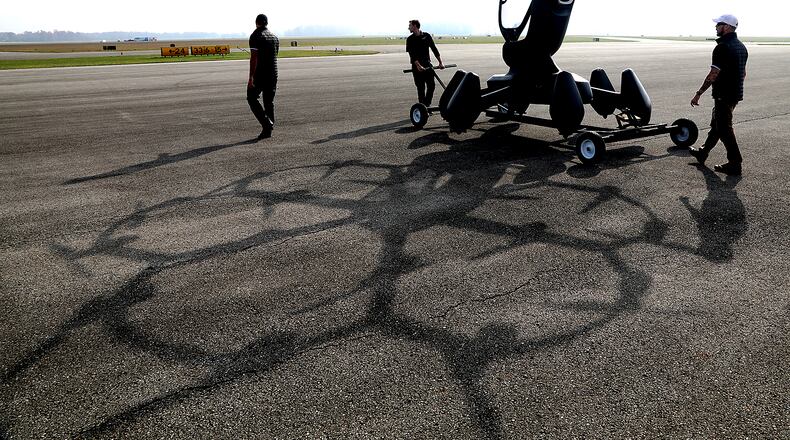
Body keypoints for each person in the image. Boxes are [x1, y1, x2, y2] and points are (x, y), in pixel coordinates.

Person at [689, 14, 748, 175]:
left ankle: (735, 163)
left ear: (727, 27)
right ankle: (703, 152)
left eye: (718, 25)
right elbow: (743, 74)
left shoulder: (722, 47)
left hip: (724, 94)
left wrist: (698, 93)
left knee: (724, 128)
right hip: (734, 94)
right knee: (717, 125)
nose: (715, 27)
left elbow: (713, 74)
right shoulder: (741, 47)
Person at [247, 14, 279, 139]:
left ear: (256, 23)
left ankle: (267, 123)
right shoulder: (275, 37)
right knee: (268, 101)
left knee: (251, 97)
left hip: (260, 74)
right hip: (273, 73)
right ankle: (268, 129)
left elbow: (254, 58)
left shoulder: (255, 36)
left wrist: (251, 77)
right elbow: (275, 55)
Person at [406, 20, 445, 107]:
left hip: (427, 65)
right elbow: (412, 55)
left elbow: (434, 49)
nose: (408, 27)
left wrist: (440, 62)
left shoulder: (426, 36)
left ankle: (427, 105)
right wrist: (418, 66)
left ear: (415, 26)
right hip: (416, 67)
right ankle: (423, 107)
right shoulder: (410, 39)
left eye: (410, 25)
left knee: (431, 85)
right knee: (421, 88)